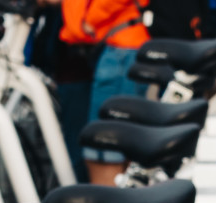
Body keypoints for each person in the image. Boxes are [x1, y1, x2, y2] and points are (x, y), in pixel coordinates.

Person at [60, 0, 151, 183]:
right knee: (117, 147)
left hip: (121, 48)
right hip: (122, 44)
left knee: (103, 148)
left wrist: (89, 21)